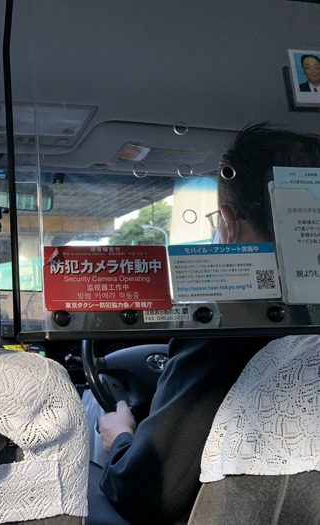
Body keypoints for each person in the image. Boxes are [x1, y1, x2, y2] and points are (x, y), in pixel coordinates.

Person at [95, 125, 320, 524]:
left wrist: (120, 438)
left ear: (228, 224)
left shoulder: (226, 332)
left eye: (217, 220)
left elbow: (149, 492)